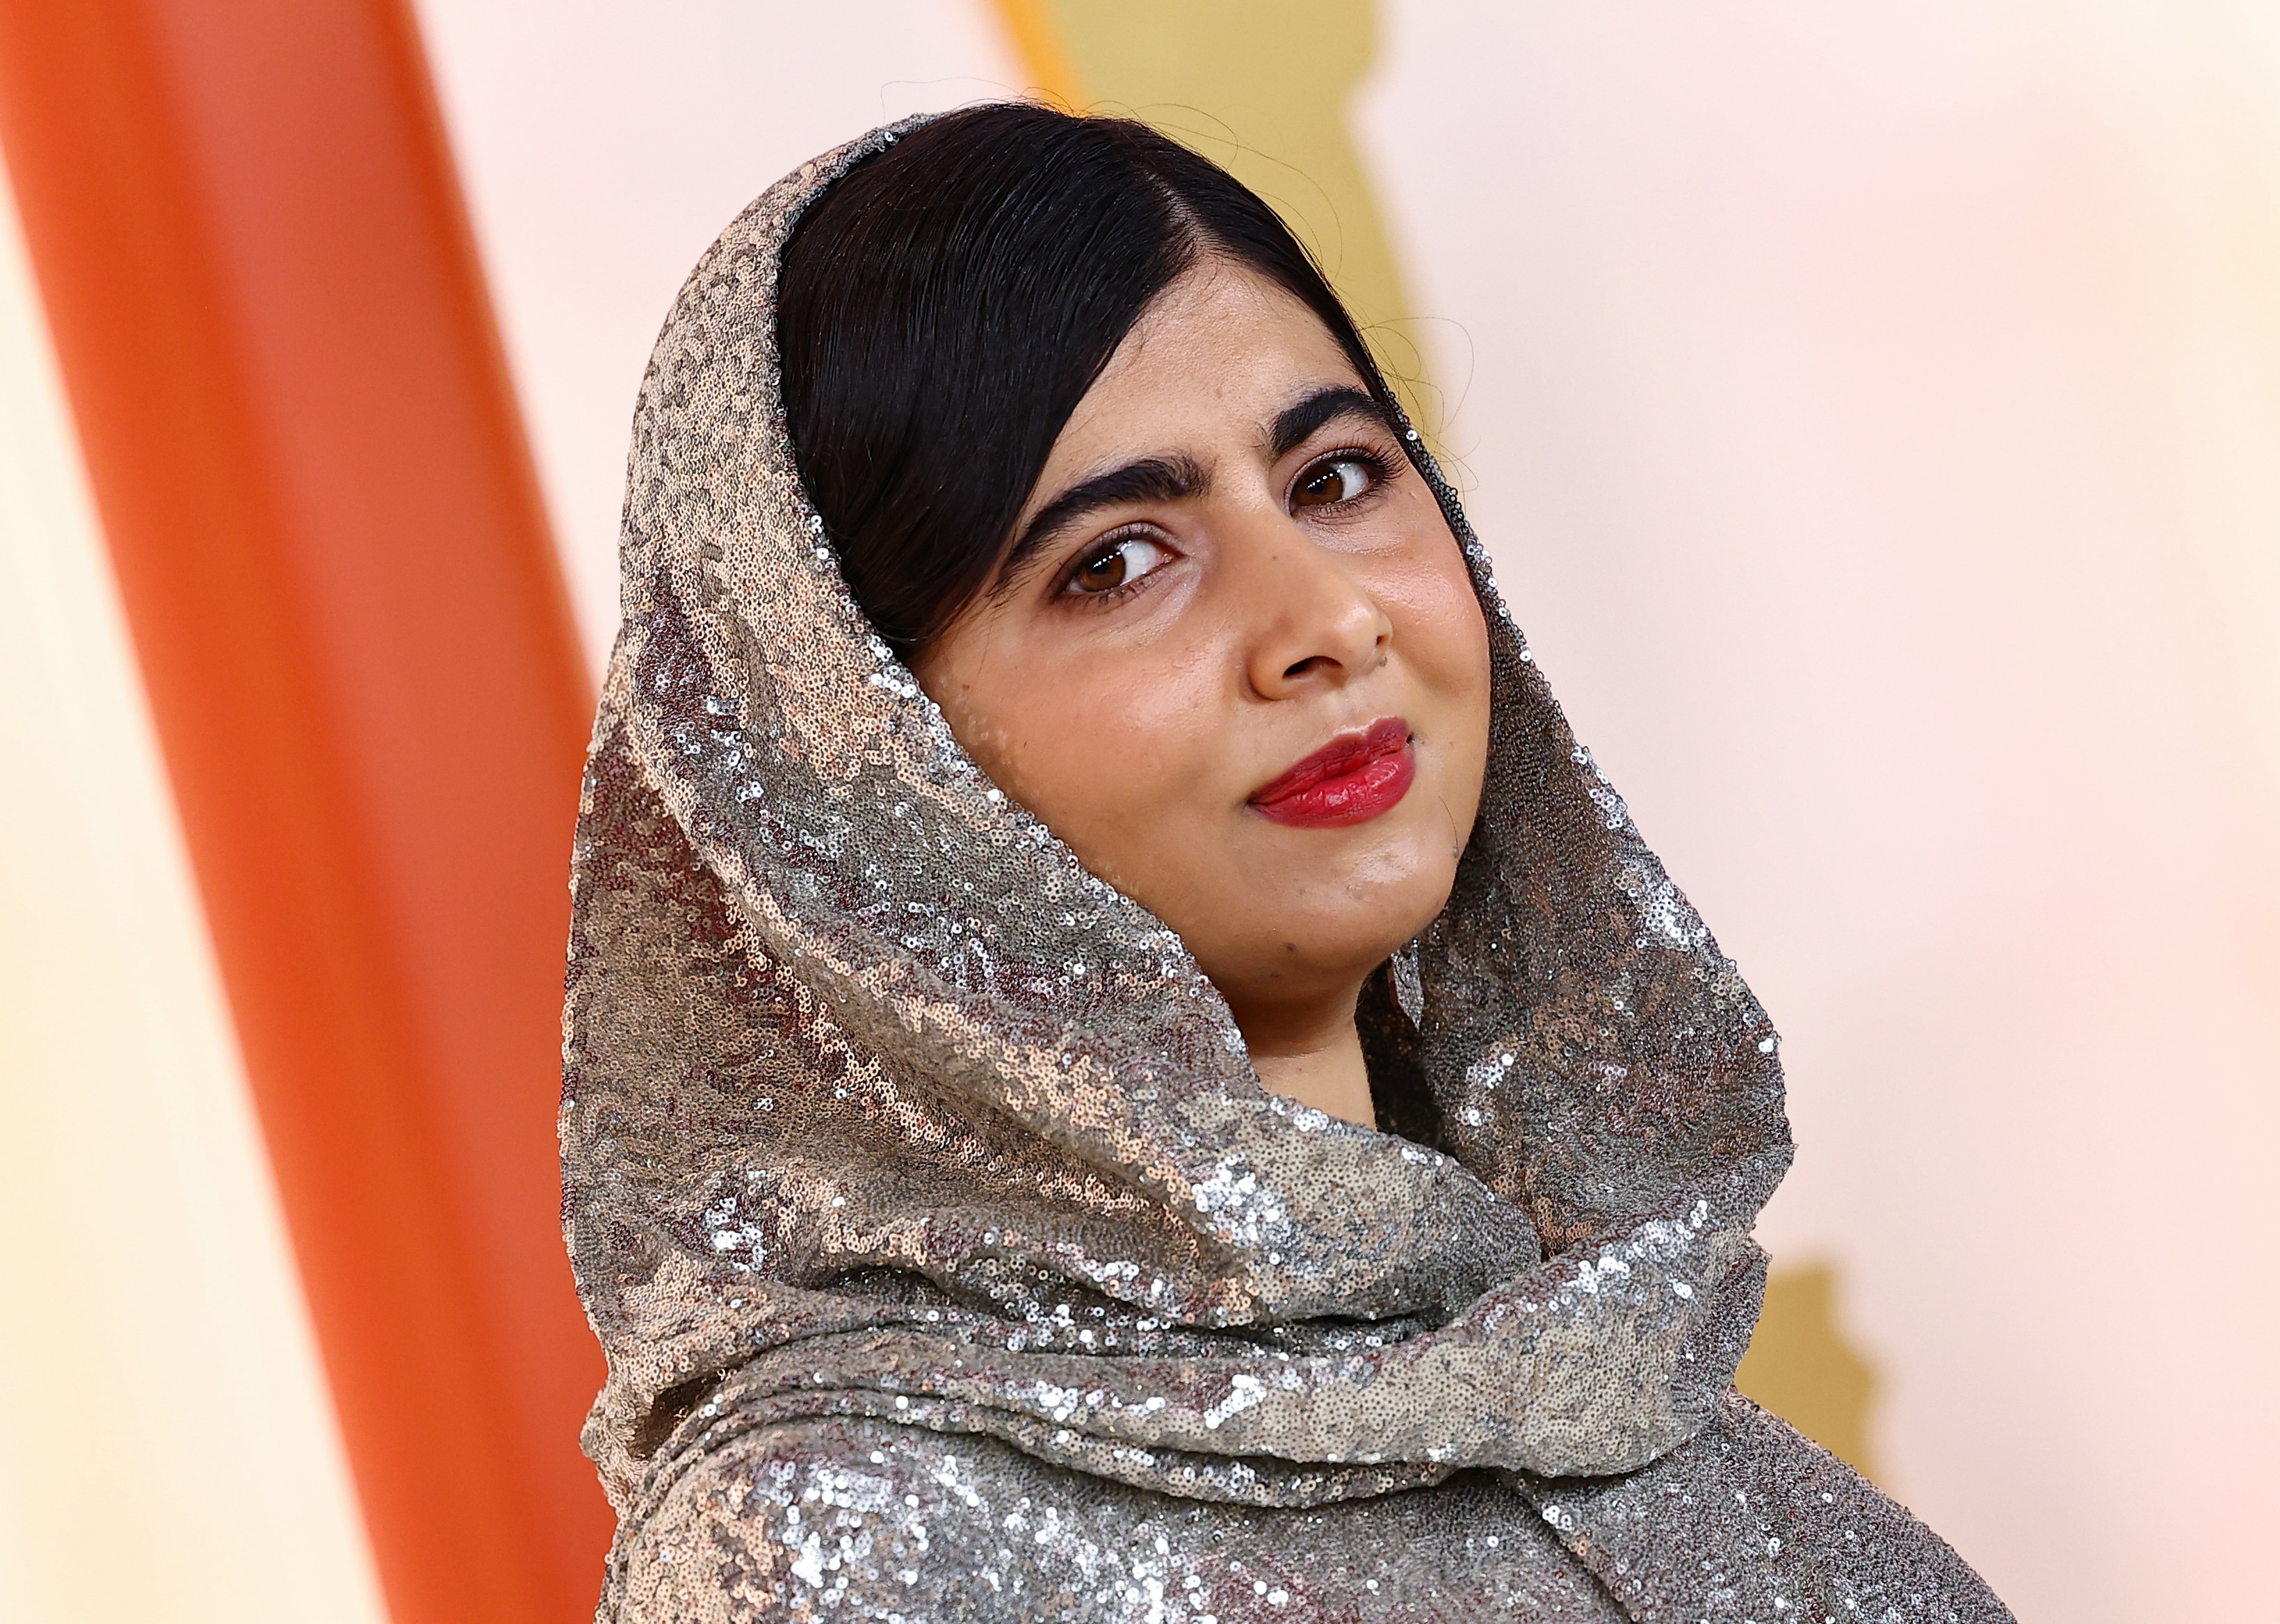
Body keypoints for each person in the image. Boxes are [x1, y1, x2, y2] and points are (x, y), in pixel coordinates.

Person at [562, 102, 2010, 1622]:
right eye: (1116, 562)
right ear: (859, 764)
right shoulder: (847, 1549)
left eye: (1331, 480)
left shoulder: (1630, 1401)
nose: (1324, 615)